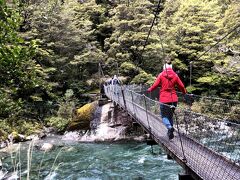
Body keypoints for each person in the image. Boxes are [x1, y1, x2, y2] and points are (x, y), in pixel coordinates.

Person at [147, 58, 187, 140]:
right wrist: (184, 93)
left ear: (163, 68)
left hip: (164, 99)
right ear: (171, 68)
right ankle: (170, 133)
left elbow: (155, 85)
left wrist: (149, 89)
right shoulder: (175, 75)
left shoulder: (161, 75)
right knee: (170, 116)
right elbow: (182, 86)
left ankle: (169, 127)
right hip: (174, 99)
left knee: (164, 116)